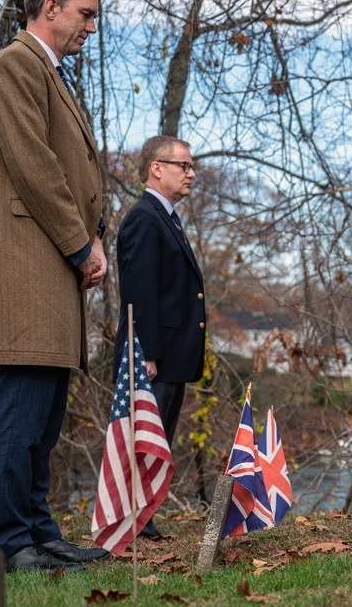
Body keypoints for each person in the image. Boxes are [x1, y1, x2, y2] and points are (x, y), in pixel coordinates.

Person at [0, 0, 111, 573]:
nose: (91, 28)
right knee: (21, 409)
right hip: (30, 265)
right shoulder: (16, 65)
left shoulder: (46, 72)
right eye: (85, 14)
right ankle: (9, 541)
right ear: (49, 8)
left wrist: (88, 238)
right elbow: (35, 166)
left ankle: (38, 532)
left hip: (48, 266)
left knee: (45, 414)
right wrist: (83, 244)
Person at [113, 135, 206, 539]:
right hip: (154, 353)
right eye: (183, 165)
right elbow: (139, 290)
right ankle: (132, 517)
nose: (192, 173)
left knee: (160, 435)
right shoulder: (144, 217)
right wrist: (145, 351)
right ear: (157, 168)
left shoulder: (166, 217)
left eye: (191, 166)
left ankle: (143, 514)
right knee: (145, 436)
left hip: (171, 352)